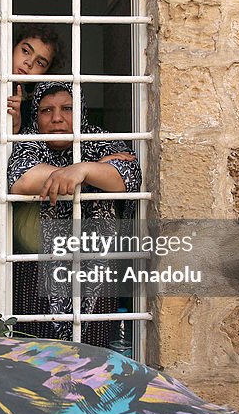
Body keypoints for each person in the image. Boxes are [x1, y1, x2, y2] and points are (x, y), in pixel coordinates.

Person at [7, 81, 141, 346]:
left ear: (81, 111)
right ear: (35, 114)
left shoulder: (99, 139)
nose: (57, 118)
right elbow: (22, 179)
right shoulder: (29, 141)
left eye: (67, 108)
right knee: (38, 359)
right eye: (46, 111)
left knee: (92, 362)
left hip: (95, 273)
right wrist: (92, 171)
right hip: (36, 272)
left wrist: (79, 170)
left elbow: (127, 177)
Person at [5, 24, 60, 134]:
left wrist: (16, 127)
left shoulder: (34, 110)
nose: (29, 63)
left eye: (40, 63)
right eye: (25, 51)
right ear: (13, 46)